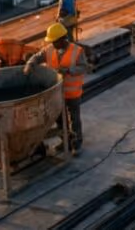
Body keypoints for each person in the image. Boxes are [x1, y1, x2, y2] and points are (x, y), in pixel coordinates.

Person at [24, 22, 88, 152]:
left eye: (54, 41)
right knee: (60, 119)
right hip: (56, 94)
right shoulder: (49, 49)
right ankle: (65, 142)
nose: (52, 43)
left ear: (62, 39)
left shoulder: (77, 51)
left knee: (74, 119)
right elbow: (37, 57)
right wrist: (30, 64)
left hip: (72, 94)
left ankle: (76, 142)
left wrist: (69, 70)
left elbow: (83, 67)